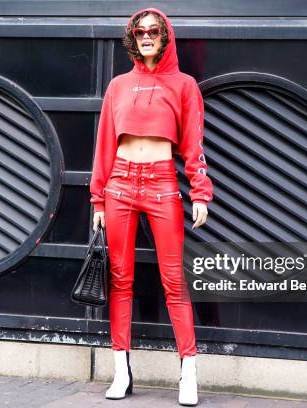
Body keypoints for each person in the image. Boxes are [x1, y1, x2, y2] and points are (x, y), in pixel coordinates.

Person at [89, 7, 213, 406]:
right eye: (139, 31)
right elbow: (105, 144)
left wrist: (201, 191)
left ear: (165, 37)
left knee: (173, 281)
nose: (146, 36)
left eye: (153, 31)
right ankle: (121, 372)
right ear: (132, 38)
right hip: (120, 184)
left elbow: (193, 144)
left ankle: (188, 372)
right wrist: (98, 198)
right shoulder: (118, 86)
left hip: (161, 184)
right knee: (120, 281)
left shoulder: (184, 85)